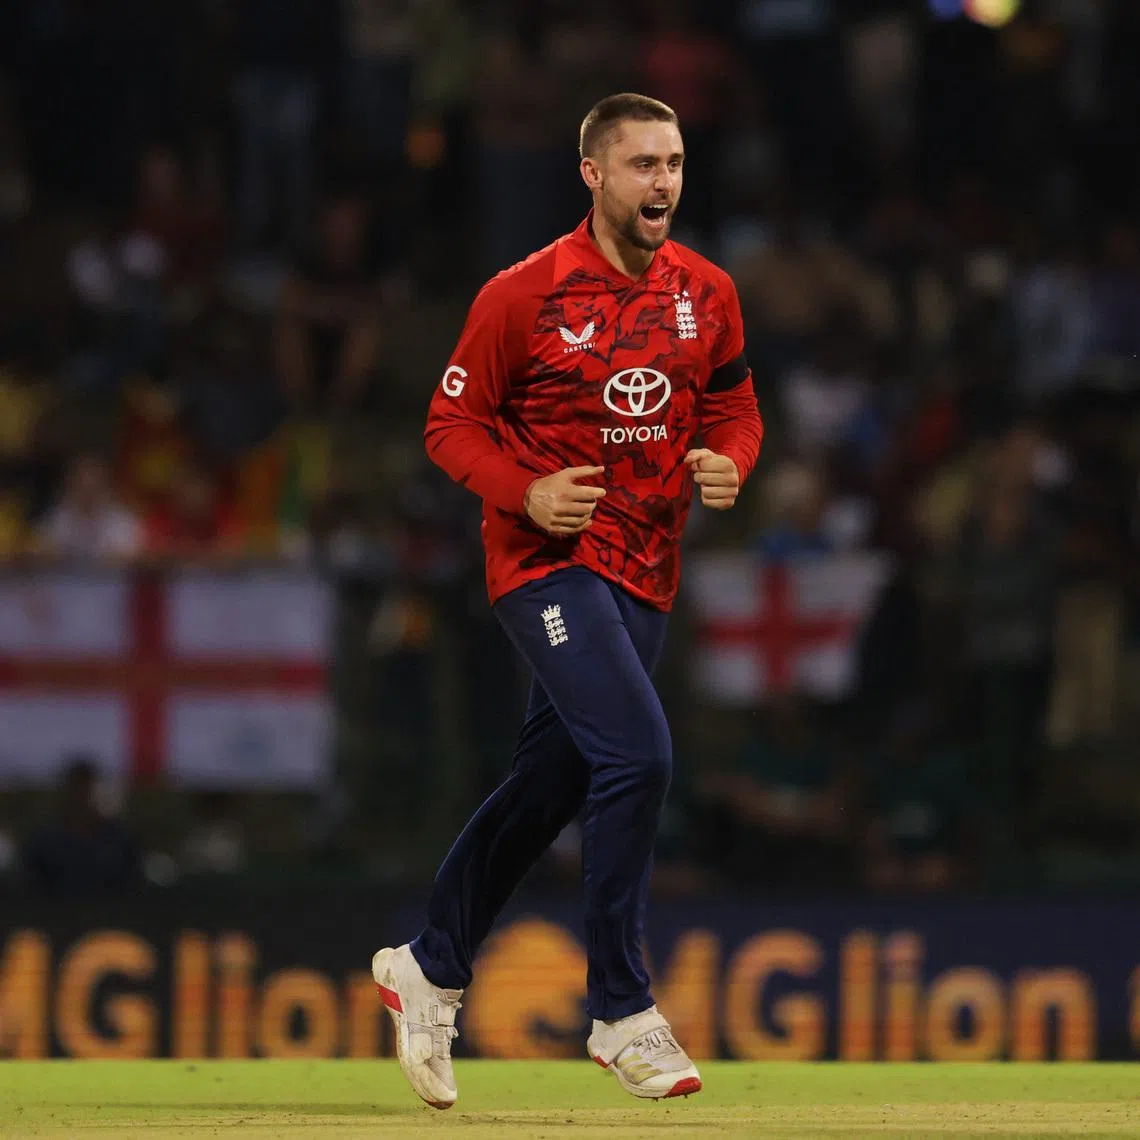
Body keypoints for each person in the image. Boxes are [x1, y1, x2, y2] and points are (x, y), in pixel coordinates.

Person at [372, 93, 764, 1108]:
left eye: (674, 162)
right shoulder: (522, 294)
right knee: (638, 755)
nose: (664, 183)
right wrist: (527, 491)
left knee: (550, 786)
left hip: (646, 568)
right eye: (642, 164)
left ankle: (432, 961)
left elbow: (733, 402)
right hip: (545, 563)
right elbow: (448, 426)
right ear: (592, 174)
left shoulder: (708, 291)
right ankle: (623, 1010)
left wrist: (730, 457)